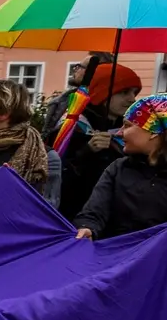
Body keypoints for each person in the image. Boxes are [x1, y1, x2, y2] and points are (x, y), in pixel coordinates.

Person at [74, 93, 167, 239]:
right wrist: (87, 228)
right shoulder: (118, 168)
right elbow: (92, 214)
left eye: (127, 125)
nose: (120, 133)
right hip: (115, 259)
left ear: (153, 131)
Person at [49, 60, 142, 219]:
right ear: (102, 93)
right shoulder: (72, 127)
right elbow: (54, 176)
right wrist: (87, 151)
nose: (132, 99)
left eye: (134, 92)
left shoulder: (130, 131)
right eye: (124, 92)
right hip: (73, 218)